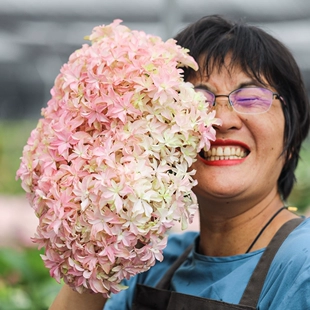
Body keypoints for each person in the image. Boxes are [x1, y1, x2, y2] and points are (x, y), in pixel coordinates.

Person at [50, 15, 310, 310]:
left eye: (250, 98)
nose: (221, 120)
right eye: (197, 99)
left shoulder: (303, 266)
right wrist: (104, 243)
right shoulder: (153, 261)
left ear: (292, 135)